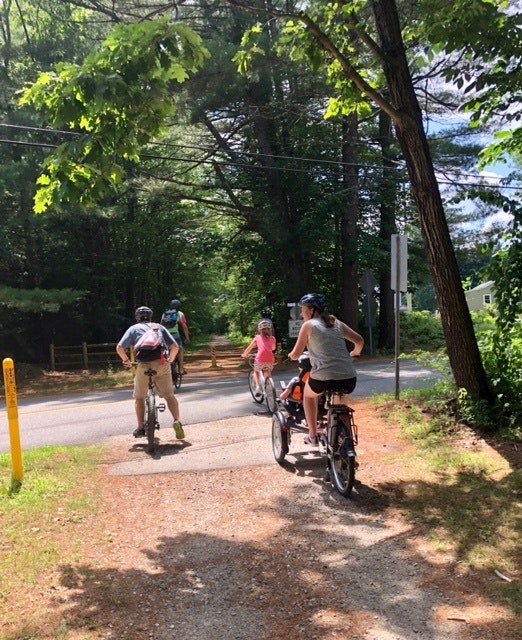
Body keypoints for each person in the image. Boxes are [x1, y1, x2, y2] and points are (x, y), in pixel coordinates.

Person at [288, 293, 364, 445]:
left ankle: (312, 436)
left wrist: (291, 355)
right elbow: (359, 341)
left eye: (303, 310)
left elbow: (296, 354)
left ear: (312, 310)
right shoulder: (336, 323)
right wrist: (354, 353)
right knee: (339, 407)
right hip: (349, 377)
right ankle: (341, 433)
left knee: (308, 396)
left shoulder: (308, 325)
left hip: (322, 378)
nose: (302, 313)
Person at [116, 306, 185, 440]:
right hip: (161, 364)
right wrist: (170, 361)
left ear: (137, 318)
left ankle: (141, 428)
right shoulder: (159, 327)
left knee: (140, 397)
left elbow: (119, 348)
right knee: (169, 395)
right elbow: (175, 347)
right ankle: (177, 421)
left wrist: (127, 361)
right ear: (151, 317)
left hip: (143, 365)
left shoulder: (133, 329)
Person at [241, 319, 277, 398]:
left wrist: (244, 354)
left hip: (260, 358)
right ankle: (269, 385)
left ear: (260, 330)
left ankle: (257, 388)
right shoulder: (273, 338)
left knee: (256, 371)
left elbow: (249, 348)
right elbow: (273, 348)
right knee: (267, 371)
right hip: (270, 359)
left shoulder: (257, 337)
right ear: (270, 329)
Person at [160, 299, 190, 374]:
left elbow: (160, 325)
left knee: (165, 350)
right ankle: (181, 369)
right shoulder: (180, 314)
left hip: (165, 334)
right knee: (180, 349)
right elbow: (184, 326)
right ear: (179, 306)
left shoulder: (165, 314)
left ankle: (165, 368)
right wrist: (187, 338)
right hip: (175, 334)